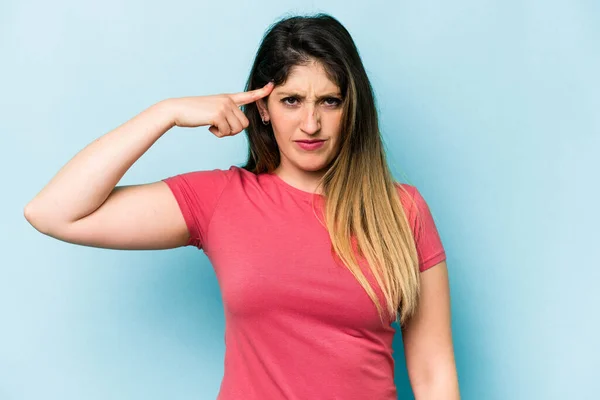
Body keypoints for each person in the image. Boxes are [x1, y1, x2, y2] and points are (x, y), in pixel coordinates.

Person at [24, 13, 460, 400]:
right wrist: (166, 113)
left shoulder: (403, 211)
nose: (311, 124)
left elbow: (433, 371)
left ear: (352, 107)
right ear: (263, 108)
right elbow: (53, 212)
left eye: (330, 100)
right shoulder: (221, 200)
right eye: (291, 100)